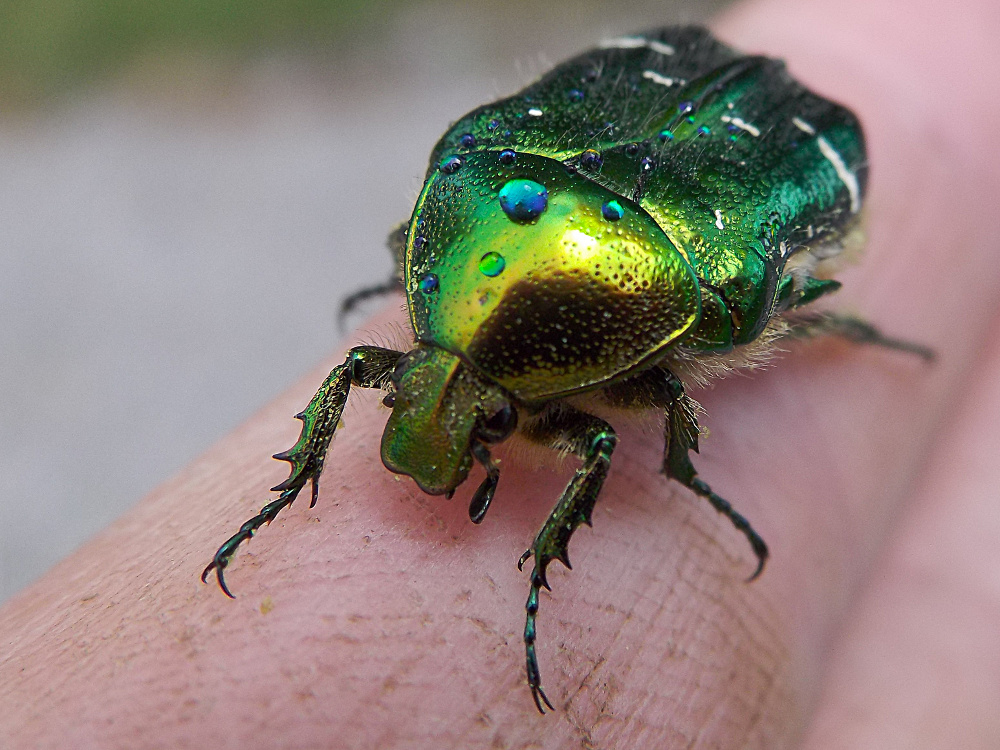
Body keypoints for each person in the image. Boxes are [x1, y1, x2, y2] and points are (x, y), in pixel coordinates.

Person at [2, 0, 997, 746]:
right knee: (381, 354)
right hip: (625, 125)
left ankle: (597, 533)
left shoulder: (668, 315)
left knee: (745, 337)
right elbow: (375, 344)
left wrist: (679, 475)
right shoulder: (460, 200)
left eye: (473, 422)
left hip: (767, 148)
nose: (431, 419)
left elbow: (608, 428)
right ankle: (309, 491)